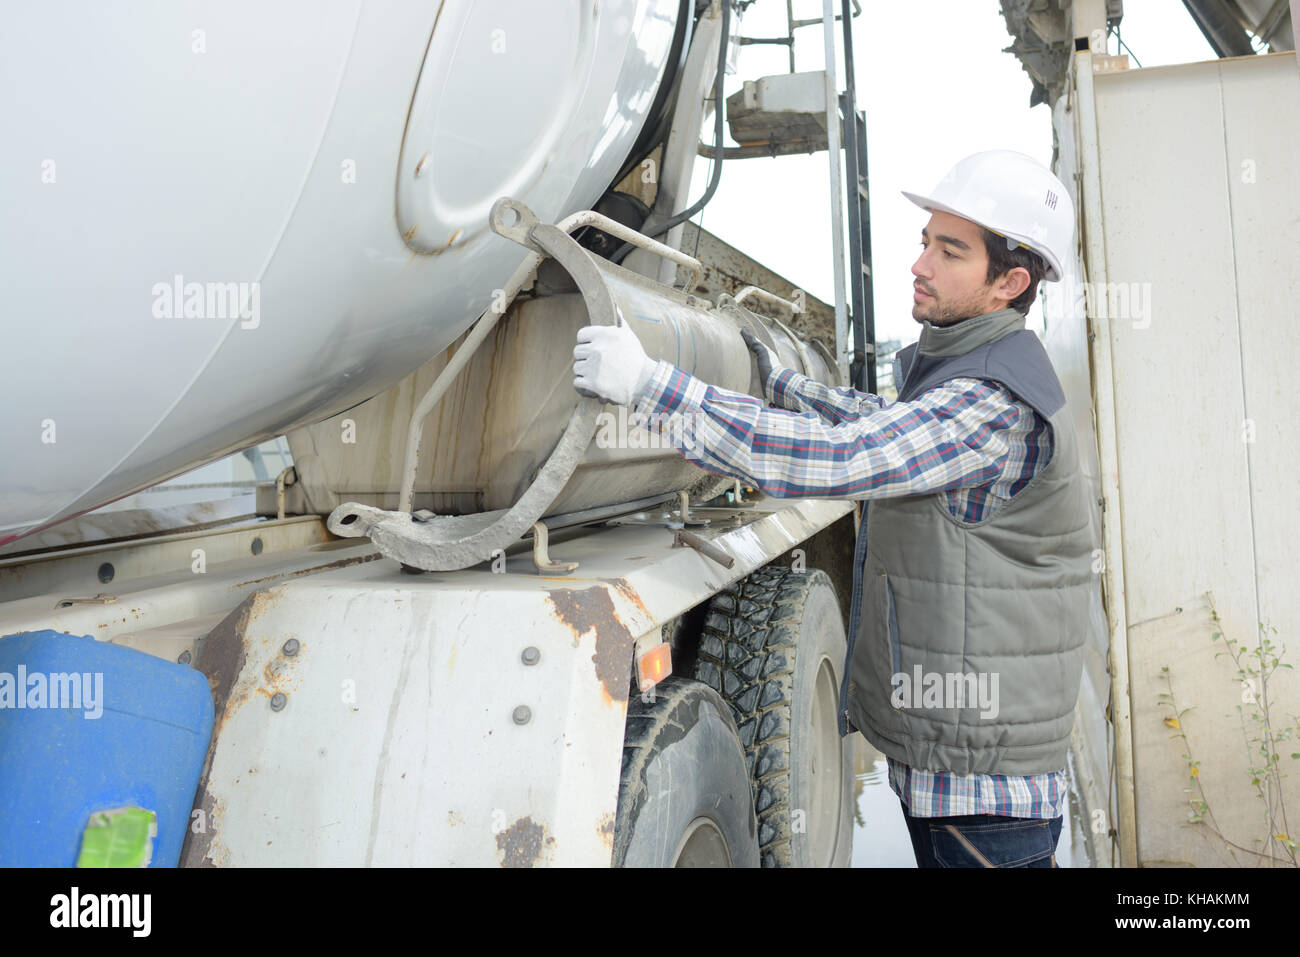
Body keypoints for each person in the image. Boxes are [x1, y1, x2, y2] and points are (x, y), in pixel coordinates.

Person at [572, 150, 1096, 868]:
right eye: (925, 241)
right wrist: (779, 380)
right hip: (964, 764)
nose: (920, 263)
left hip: (983, 788)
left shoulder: (992, 402)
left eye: (950, 251)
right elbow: (874, 420)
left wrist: (654, 386)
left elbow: (843, 458)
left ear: (1010, 282)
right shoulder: (969, 373)